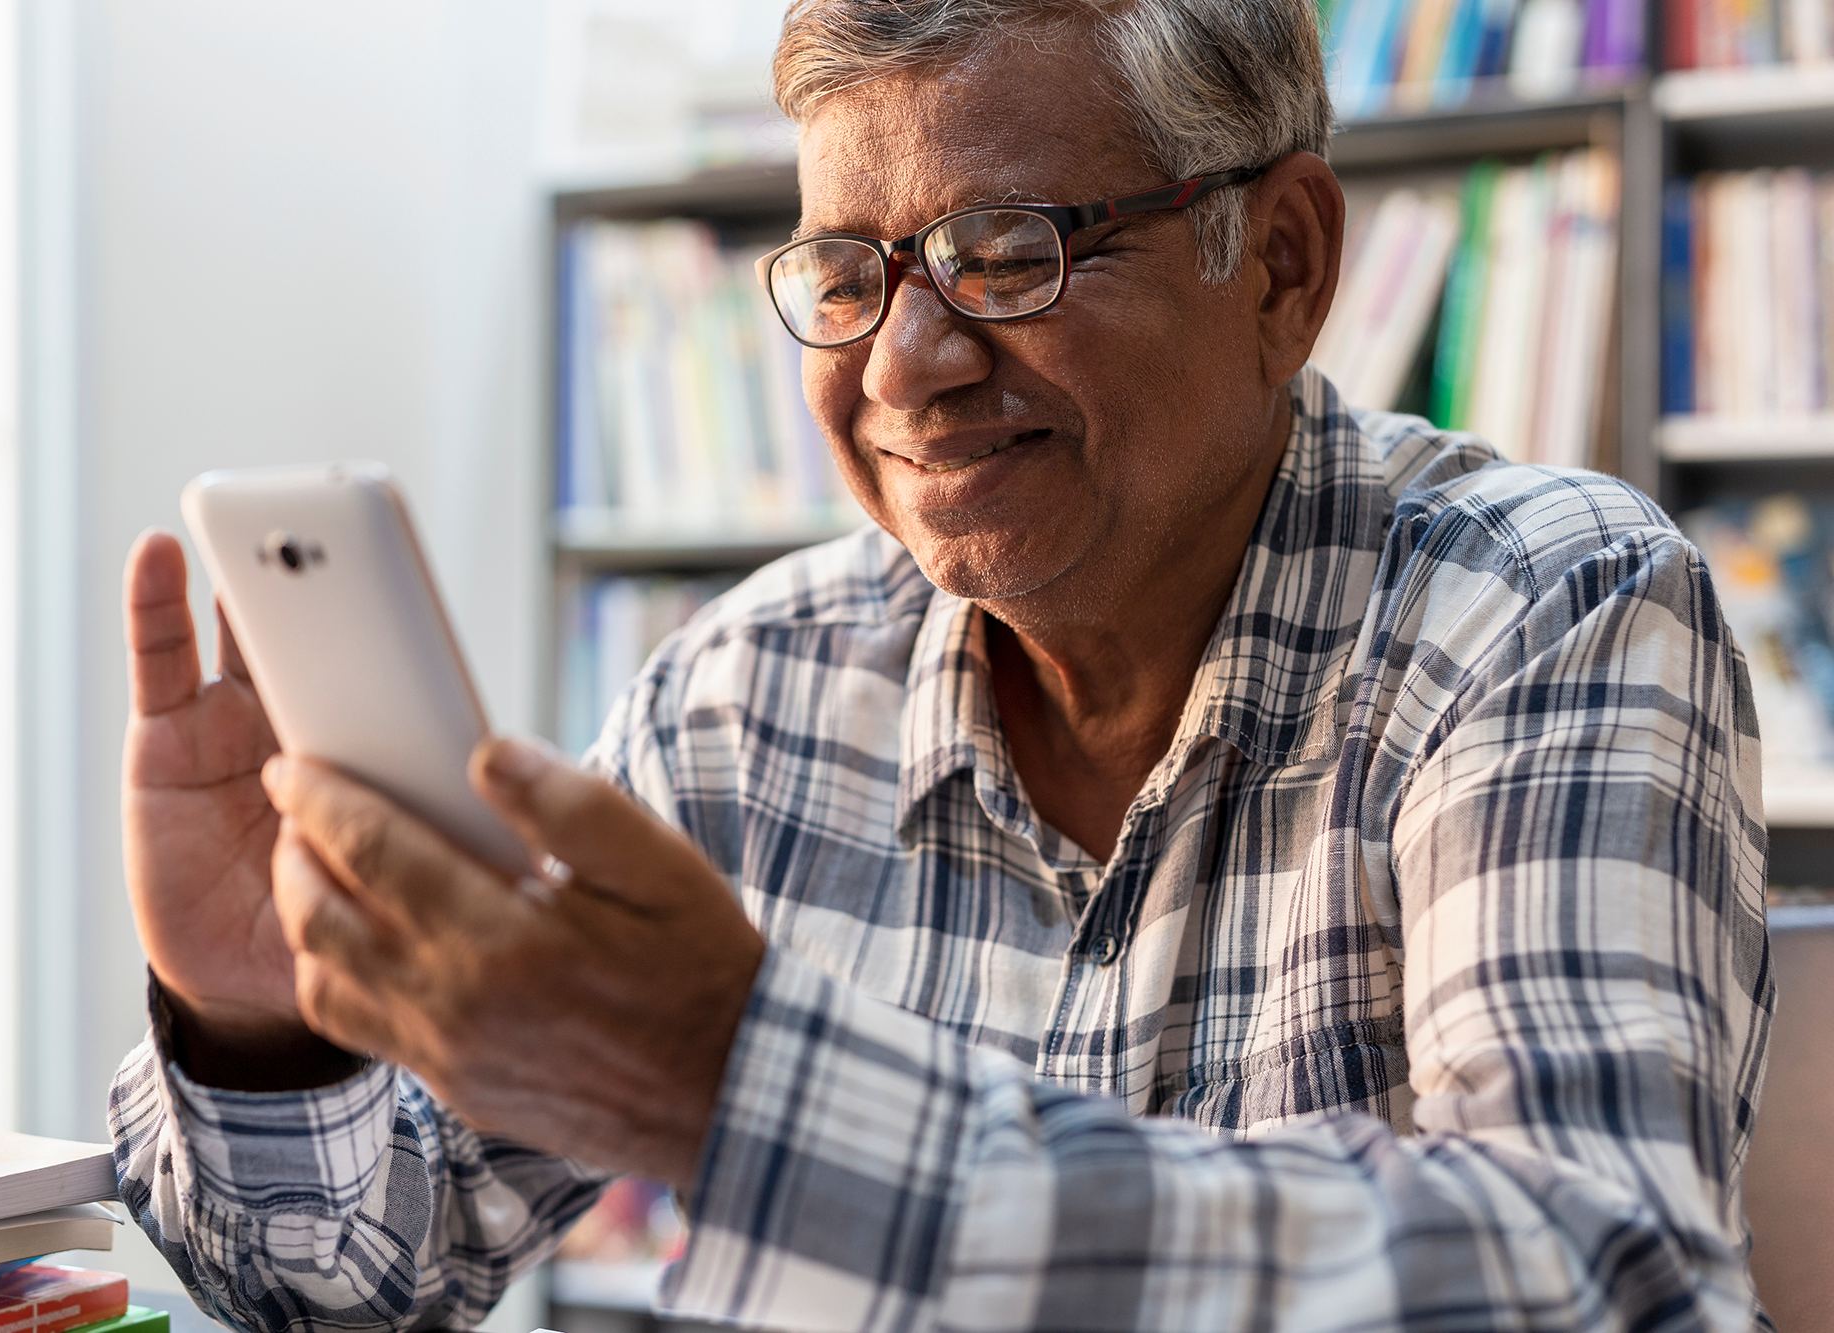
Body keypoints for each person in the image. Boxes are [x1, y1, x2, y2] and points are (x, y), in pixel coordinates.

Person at [108, 0, 1775, 1328]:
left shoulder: (1544, 604)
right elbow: (343, 1283)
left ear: (1282, 266)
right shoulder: (745, 694)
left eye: (1009, 249)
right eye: (848, 273)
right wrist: (259, 1024)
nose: (905, 365)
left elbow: (1606, 1279)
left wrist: (735, 1088)